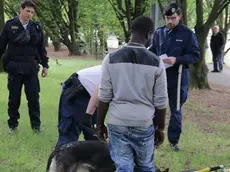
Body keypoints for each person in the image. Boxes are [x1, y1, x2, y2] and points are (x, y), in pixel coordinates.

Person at [95, 16, 168, 172]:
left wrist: (100, 124)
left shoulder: (111, 58)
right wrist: (160, 128)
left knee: (123, 167)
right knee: (146, 167)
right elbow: (161, 101)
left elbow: (104, 95)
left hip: (117, 122)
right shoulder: (156, 62)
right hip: (143, 123)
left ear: (132, 32)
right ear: (149, 34)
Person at [149, 3, 200, 151]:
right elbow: (152, 50)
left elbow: (195, 55)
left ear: (179, 17)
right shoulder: (159, 32)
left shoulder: (187, 34)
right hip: (159, 78)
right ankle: (153, 140)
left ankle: (173, 142)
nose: (170, 21)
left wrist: (176, 60)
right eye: (167, 18)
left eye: (173, 18)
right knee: (154, 108)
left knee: (175, 110)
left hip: (177, 79)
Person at [0, 0, 49, 133]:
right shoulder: (10, 25)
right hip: (15, 67)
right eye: (28, 11)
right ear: (21, 10)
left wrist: (45, 65)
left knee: (33, 98)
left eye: (32, 12)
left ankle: (36, 127)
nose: (30, 14)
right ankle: (13, 125)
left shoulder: (36, 27)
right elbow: (1, 45)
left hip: (31, 68)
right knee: (14, 98)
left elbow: (41, 48)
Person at [56, 65, 101, 148]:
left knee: (96, 138)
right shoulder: (121, 70)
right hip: (78, 91)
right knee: (68, 140)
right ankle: (61, 160)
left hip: (95, 95)